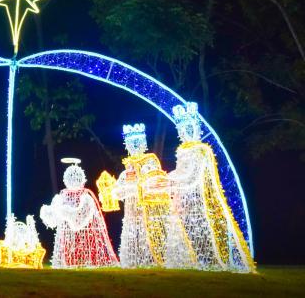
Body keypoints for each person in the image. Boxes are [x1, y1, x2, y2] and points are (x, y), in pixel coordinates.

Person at [161, 102, 255, 272]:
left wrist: (169, 179)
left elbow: (191, 175)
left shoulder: (201, 150)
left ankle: (213, 260)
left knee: (205, 232)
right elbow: (182, 172)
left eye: (189, 127)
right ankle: (192, 261)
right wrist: (170, 179)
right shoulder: (183, 151)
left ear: (196, 127)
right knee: (187, 232)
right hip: (185, 200)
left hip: (202, 201)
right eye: (182, 129)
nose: (186, 132)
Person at [41, 160, 118, 268]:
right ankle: (71, 261)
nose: (73, 180)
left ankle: (87, 260)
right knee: (71, 247)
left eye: (75, 178)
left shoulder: (86, 196)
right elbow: (54, 215)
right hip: (68, 233)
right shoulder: (62, 195)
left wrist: (66, 212)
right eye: (71, 178)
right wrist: (48, 211)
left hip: (85, 231)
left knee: (85, 244)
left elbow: (81, 215)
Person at [112, 123, 170, 268]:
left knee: (148, 234)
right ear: (127, 144)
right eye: (131, 142)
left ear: (143, 143)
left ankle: (152, 259)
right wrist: (115, 190)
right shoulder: (127, 170)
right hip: (131, 212)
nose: (134, 145)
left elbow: (153, 181)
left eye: (137, 142)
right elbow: (118, 191)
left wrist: (133, 187)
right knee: (133, 234)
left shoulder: (150, 162)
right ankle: (132, 260)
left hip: (147, 210)